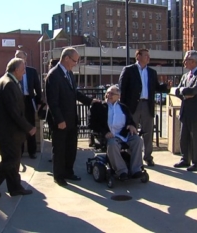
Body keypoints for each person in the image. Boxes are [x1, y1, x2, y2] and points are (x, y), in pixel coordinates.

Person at [0, 58, 36, 197]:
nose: (24, 73)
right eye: (23, 70)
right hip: (9, 132)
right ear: (16, 70)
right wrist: (28, 127)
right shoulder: (9, 84)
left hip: (9, 131)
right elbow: (14, 112)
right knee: (10, 161)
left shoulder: (6, 81)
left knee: (13, 161)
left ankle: (15, 187)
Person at [45, 47, 99, 186]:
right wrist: (59, 120)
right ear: (66, 58)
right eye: (75, 60)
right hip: (60, 121)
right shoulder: (54, 75)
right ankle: (59, 176)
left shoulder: (69, 73)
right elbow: (52, 101)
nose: (76, 63)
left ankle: (69, 172)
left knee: (71, 148)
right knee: (60, 150)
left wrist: (90, 101)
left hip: (71, 119)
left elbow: (75, 93)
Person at [118, 48, 171, 167]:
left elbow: (156, 87)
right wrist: (123, 109)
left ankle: (148, 157)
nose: (148, 57)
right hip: (133, 106)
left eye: (149, 55)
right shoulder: (128, 70)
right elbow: (122, 89)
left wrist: (166, 87)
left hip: (147, 104)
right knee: (132, 131)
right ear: (138, 57)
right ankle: (131, 157)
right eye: (146, 55)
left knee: (148, 131)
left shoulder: (152, 72)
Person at [88, 85, 144, 180]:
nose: (109, 95)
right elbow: (92, 124)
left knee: (138, 140)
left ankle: (136, 169)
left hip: (123, 135)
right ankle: (122, 171)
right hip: (108, 136)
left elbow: (130, 121)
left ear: (118, 96)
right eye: (108, 93)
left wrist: (131, 125)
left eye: (112, 94)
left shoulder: (123, 107)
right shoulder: (98, 106)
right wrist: (105, 132)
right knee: (112, 143)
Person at [173, 50, 197, 172]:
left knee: (196, 139)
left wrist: (186, 91)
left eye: (186, 60)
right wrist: (185, 92)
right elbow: (177, 91)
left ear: (193, 61)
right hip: (185, 112)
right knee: (184, 137)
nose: (184, 62)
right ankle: (185, 159)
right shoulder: (185, 76)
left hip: (196, 113)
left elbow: (194, 91)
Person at [15, 50, 42, 159]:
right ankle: (19, 152)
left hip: (28, 100)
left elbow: (37, 88)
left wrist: (39, 102)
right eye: (17, 57)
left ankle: (32, 151)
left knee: (31, 126)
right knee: (18, 126)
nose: (19, 59)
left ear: (25, 59)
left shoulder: (31, 71)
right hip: (17, 100)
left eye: (21, 57)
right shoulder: (13, 71)